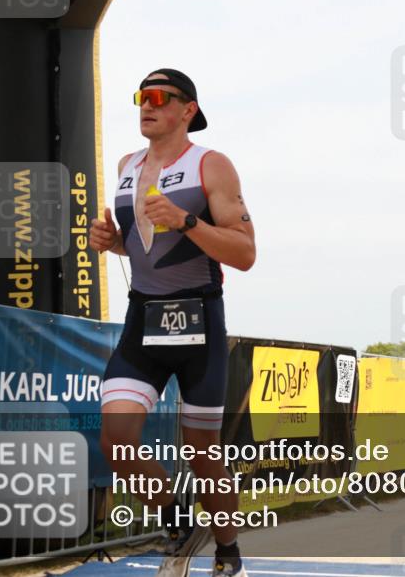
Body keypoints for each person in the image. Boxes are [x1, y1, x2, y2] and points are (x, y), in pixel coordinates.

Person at [90, 69, 256, 577]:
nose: (146, 105)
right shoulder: (126, 165)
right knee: (116, 441)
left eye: (159, 97)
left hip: (200, 319)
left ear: (188, 109)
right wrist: (110, 240)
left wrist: (186, 220)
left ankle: (227, 549)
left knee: (202, 454)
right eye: (141, 96)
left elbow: (246, 253)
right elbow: (142, 243)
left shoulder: (211, 164)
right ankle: (176, 518)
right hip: (143, 319)